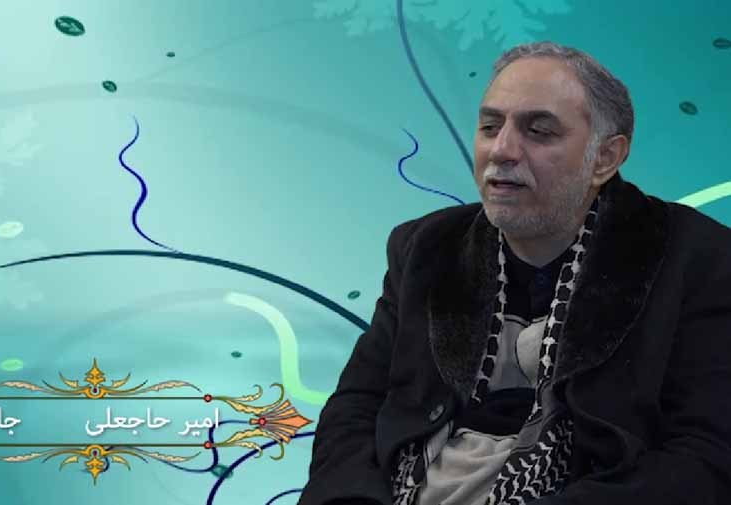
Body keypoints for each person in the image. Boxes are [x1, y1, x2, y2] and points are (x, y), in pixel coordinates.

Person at [297, 40, 731, 505]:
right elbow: (356, 408)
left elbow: (706, 457)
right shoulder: (424, 247)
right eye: (489, 127)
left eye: (539, 131)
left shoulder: (697, 260)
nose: (501, 150)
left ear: (605, 158)